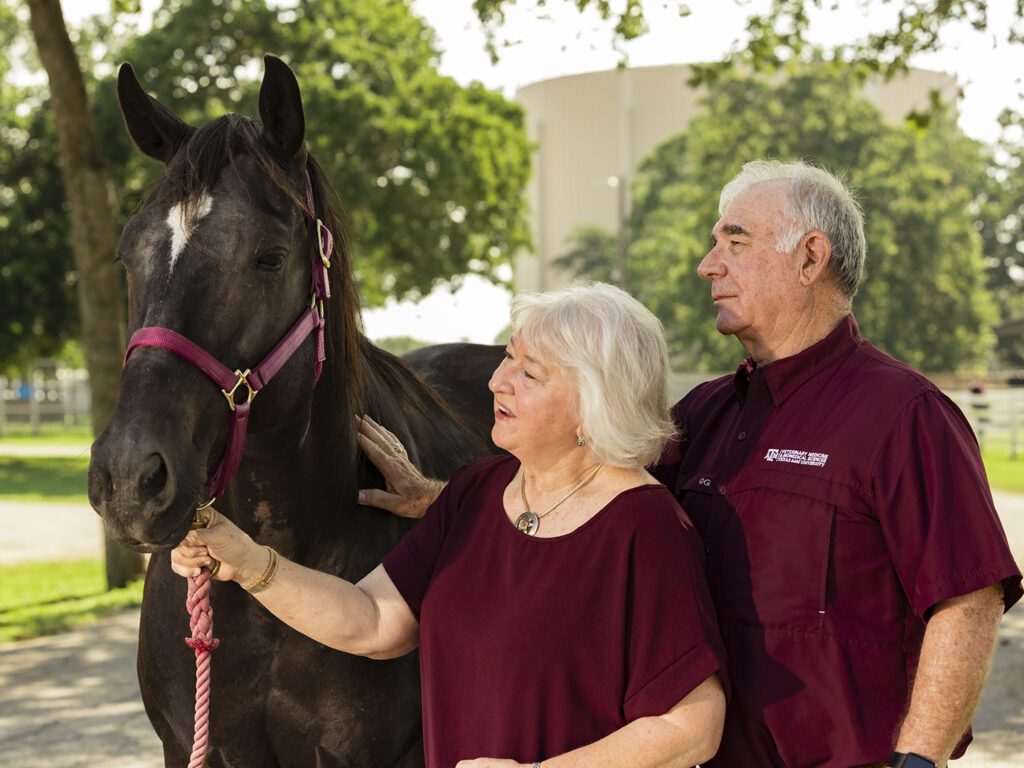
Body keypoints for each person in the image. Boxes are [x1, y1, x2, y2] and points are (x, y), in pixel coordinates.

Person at [358, 161, 1023, 768]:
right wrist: (444, 502)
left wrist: (918, 761)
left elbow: (966, 598)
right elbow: (586, 500)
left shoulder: (903, 415)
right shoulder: (704, 415)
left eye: (735, 243)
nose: (708, 265)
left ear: (810, 257)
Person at [172, 282, 728, 768]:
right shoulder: (479, 491)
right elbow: (371, 622)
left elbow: (692, 727)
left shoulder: (645, 526)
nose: (497, 381)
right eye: (508, 358)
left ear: (593, 408)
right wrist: (248, 562)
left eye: (528, 373)